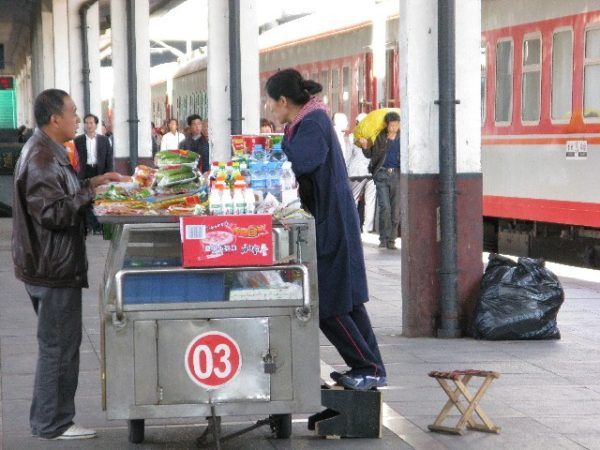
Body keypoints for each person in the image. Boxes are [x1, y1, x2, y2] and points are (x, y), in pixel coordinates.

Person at [11, 89, 122, 440]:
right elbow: (54, 212)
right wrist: (91, 194)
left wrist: (94, 182)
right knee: (58, 347)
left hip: (46, 263)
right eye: (73, 113)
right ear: (55, 119)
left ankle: (49, 418)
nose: (78, 118)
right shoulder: (42, 159)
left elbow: (62, 192)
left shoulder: (47, 150)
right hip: (53, 267)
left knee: (56, 345)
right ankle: (53, 423)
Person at [266, 69, 386, 390]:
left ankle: (365, 365)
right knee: (347, 301)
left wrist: (268, 157)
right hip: (331, 219)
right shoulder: (308, 120)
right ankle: (373, 368)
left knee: (328, 305)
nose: (270, 111)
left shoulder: (313, 123)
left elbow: (300, 163)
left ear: (282, 101)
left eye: (271, 104)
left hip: (329, 223)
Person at [358, 111, 401, 249]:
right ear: (387, 125)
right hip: (381, 174)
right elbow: (370, 154)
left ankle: (392, 240)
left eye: (396, 125)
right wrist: (365, 146)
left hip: (397, 175)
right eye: (391, 125)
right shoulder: (380, 137)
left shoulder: (403, 137)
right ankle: (383, 238)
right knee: (385, 207)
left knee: (395, 210)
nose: (394, 128)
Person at [74, 113, 114, 234]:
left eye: (91, 123)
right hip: (84, 171)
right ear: (84, 125)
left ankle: (98, 227)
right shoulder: (78, 140)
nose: (89, 125)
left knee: (98, 198)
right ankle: (87, 226)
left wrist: (108, 175)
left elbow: (108, 158)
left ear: (96, 125)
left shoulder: (104, 140)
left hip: (99, 170)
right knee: (84, 198)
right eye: (86, 123)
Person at [346, 112, 376, 233]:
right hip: (371, 171)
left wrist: (346, 170)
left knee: (353, 199)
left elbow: (348, 156)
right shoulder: (373, 136)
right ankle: (367, 228)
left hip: (356, 172)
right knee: (370, 201)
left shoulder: (353, 136)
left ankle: (353, 226)